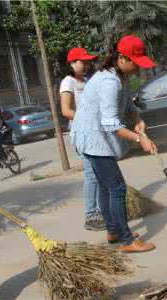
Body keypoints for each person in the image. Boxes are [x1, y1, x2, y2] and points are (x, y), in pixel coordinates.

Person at [70, 35, 157, 253]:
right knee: (117, 188)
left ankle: (113, 230)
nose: (138, 68)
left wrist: (137, 119)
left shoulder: (122, 78)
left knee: (104, 186)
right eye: (136, 63)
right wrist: (140, 139)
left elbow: (128, 106)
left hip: (98, 136)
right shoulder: (109, 82)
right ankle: (127, 241)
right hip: (93, 138)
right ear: (122, 58)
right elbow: (111, 124)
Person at [60, 47, 106, 231]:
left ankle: (100, 212)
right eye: (82, 62)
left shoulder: (88, 81)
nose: (86, 65)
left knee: (99, 173)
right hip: (81, 132)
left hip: (94, 130)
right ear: (72, 63)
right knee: (91, 174)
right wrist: (87, 119)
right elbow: (66, 111)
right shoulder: (68, 82)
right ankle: (91, 216)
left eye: (88, 62)